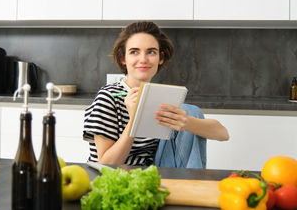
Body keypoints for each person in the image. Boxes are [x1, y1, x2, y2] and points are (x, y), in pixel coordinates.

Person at [83, 21, 229, 166]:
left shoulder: (159, 96)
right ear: (123, 59)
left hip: (153, 173)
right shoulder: (108, 97)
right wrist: (135, 121)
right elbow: (106, 163)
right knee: (187, 110)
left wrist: (186, 123)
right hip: (117, 175)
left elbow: (223, 134)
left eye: (151, 52)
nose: (143, 59)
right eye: (134, 52)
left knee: (190, 111)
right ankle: (189, 184)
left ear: (161, 58)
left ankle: (190, 182)